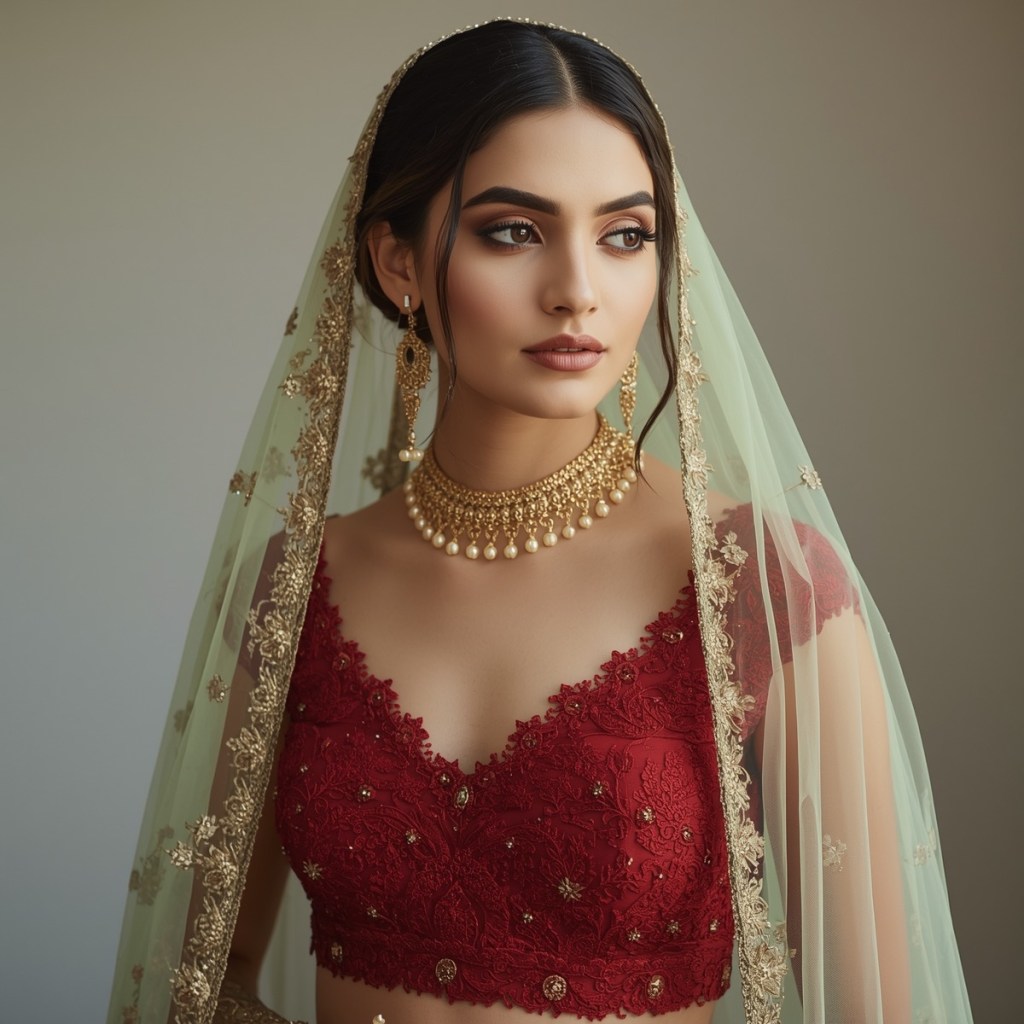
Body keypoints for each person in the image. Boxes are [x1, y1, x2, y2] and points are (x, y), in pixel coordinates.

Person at [108, 20, 973, 1024]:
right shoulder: (299, 583)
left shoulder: (760, 586)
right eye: (511, 230)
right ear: (396, 263)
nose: (577, 290)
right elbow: (200, 981)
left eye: (624, 235)